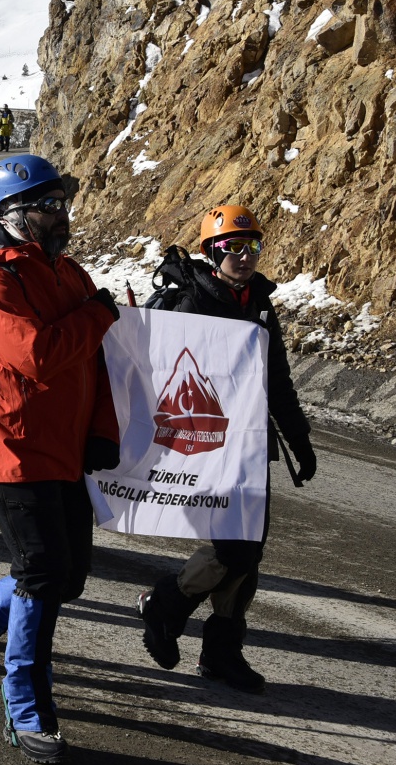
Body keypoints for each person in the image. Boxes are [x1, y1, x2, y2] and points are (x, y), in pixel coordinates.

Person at [0, 155, 120, 765]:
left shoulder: (67, 273)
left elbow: (95, 366)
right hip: (12, 451)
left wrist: (102, 432)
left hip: (65, 451)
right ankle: (26, 708)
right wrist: (96, 314)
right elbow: (37, 355)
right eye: (50, 205)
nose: (62, 214)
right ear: (14, 214)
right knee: (42, 575)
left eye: (62, 203)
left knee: (65, 580)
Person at [136, 205, 318, 693]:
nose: (244, 256)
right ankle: (168, 603)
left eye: (252, 246)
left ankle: (221, 652)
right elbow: (161, 374)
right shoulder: (194, 303)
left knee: (250, 551)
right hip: (206, 444)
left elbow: (275, 378)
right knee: (235, 547)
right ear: (210, 252)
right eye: (232, 248)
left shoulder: (260, 303)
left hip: (251, 445)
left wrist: (297, 438)